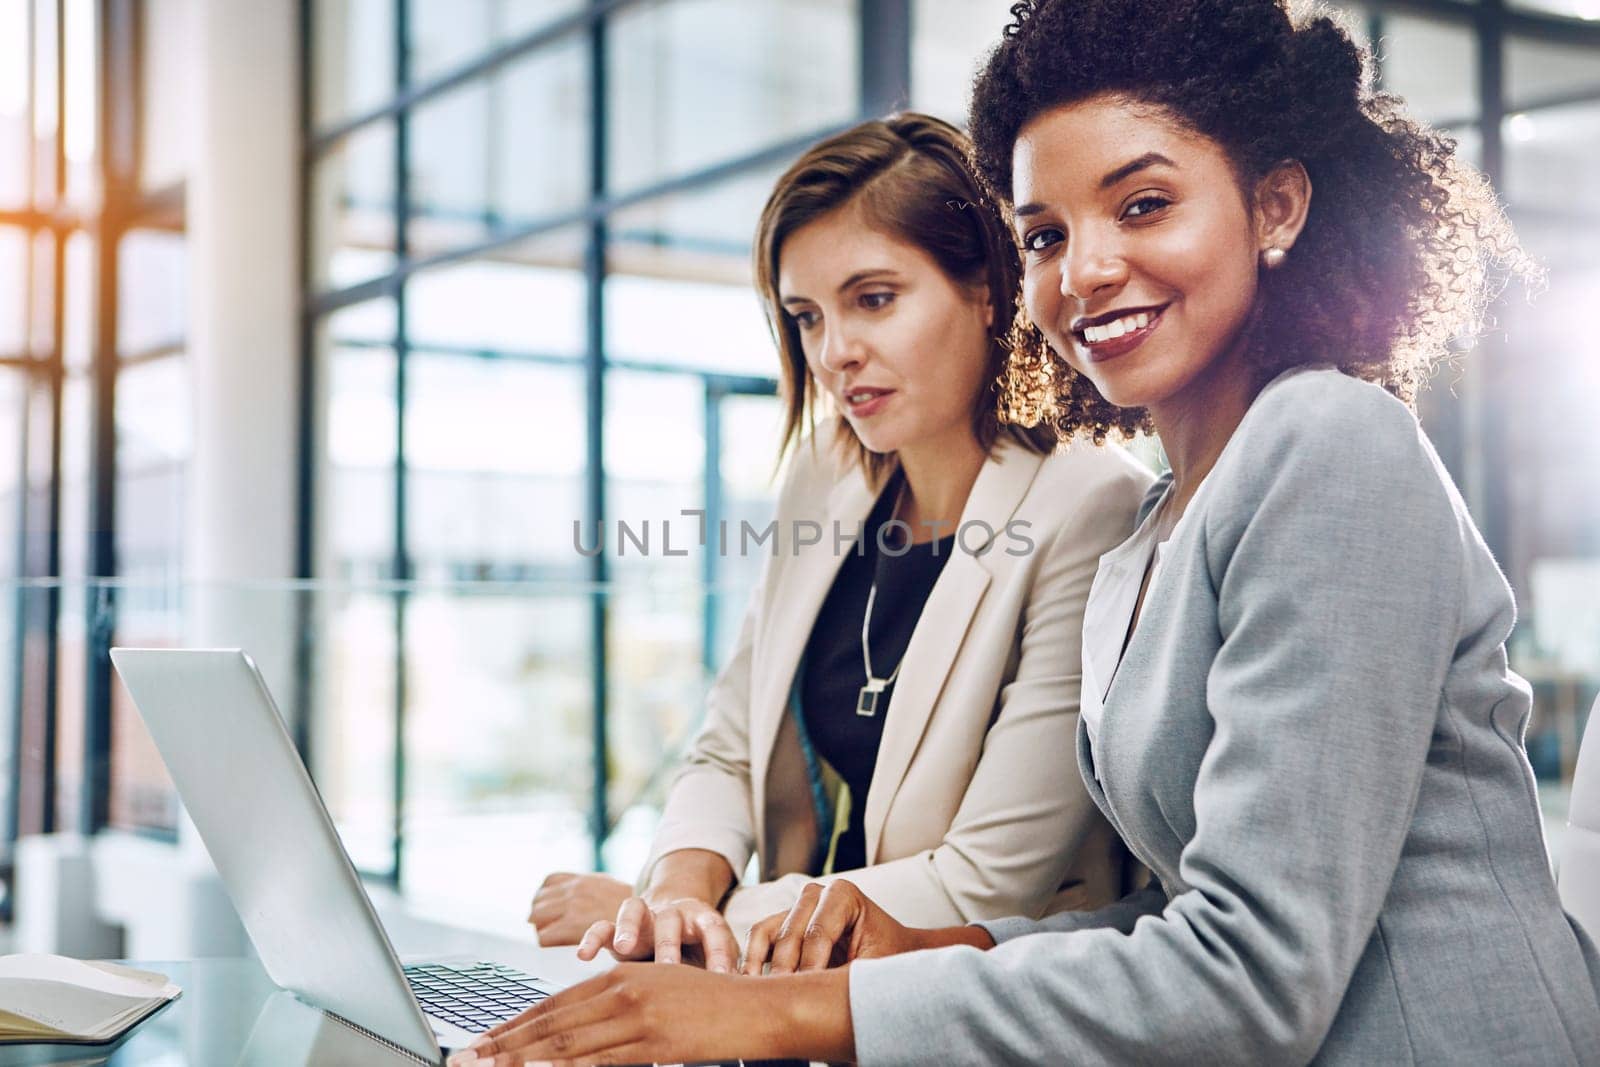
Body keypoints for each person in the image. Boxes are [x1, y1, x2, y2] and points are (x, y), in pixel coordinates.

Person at [451, 2, 1600, 1064]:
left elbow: (1255, 973)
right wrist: (938, 950)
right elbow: (1178, 912)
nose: (1086, 269)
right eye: (1044, 232)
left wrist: (782, 1003)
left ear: (1276, 206)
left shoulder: (1328, 440)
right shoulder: (1161, 518)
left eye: (1141, 204)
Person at [527, 113, 1151, 974]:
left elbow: (986, 885)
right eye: (807, 317)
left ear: (987, 289)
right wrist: (671, 894)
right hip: (792, 1004)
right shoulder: (827, 471)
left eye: (874, 299)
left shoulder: (1092, 506)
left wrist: (709, 922)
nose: (834, 352)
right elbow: (730, 740)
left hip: (967, 1009)